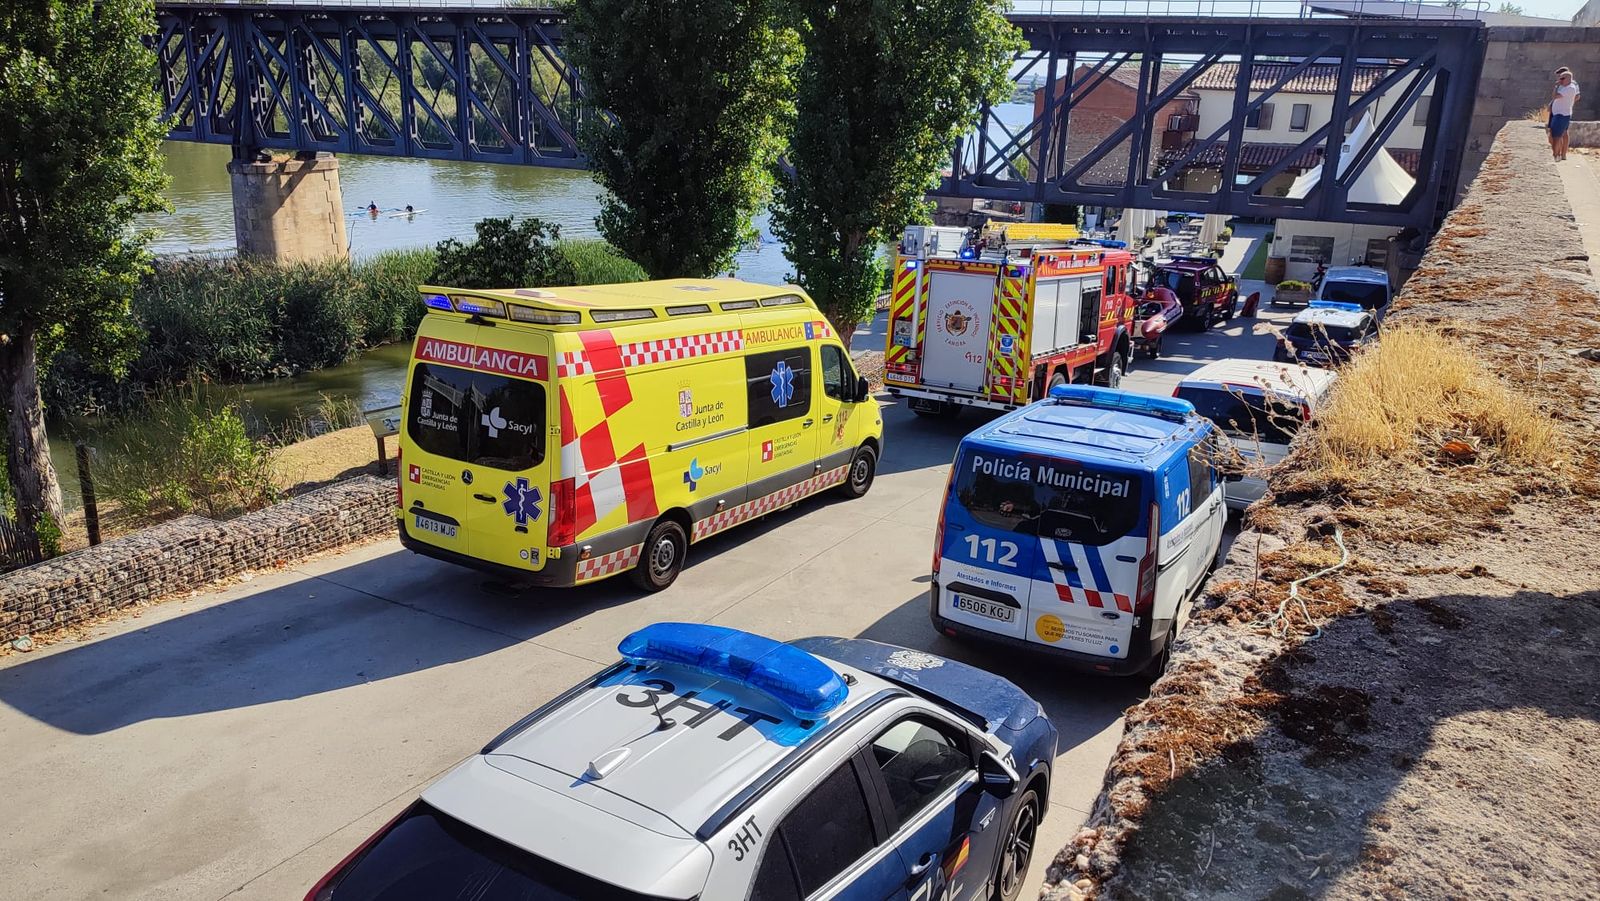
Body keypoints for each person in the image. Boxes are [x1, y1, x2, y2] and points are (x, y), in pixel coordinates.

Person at [1551, 68, 1581, 162]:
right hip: (1559, 112)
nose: (1559, 79)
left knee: (1560, 134)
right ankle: (1559, 154)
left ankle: (1560, 154)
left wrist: (1568, 102)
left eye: (1561, 77)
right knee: (1559, 133)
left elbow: (1577, 96)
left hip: (1563, 113)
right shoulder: (1563, 85)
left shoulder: (1572, 86)